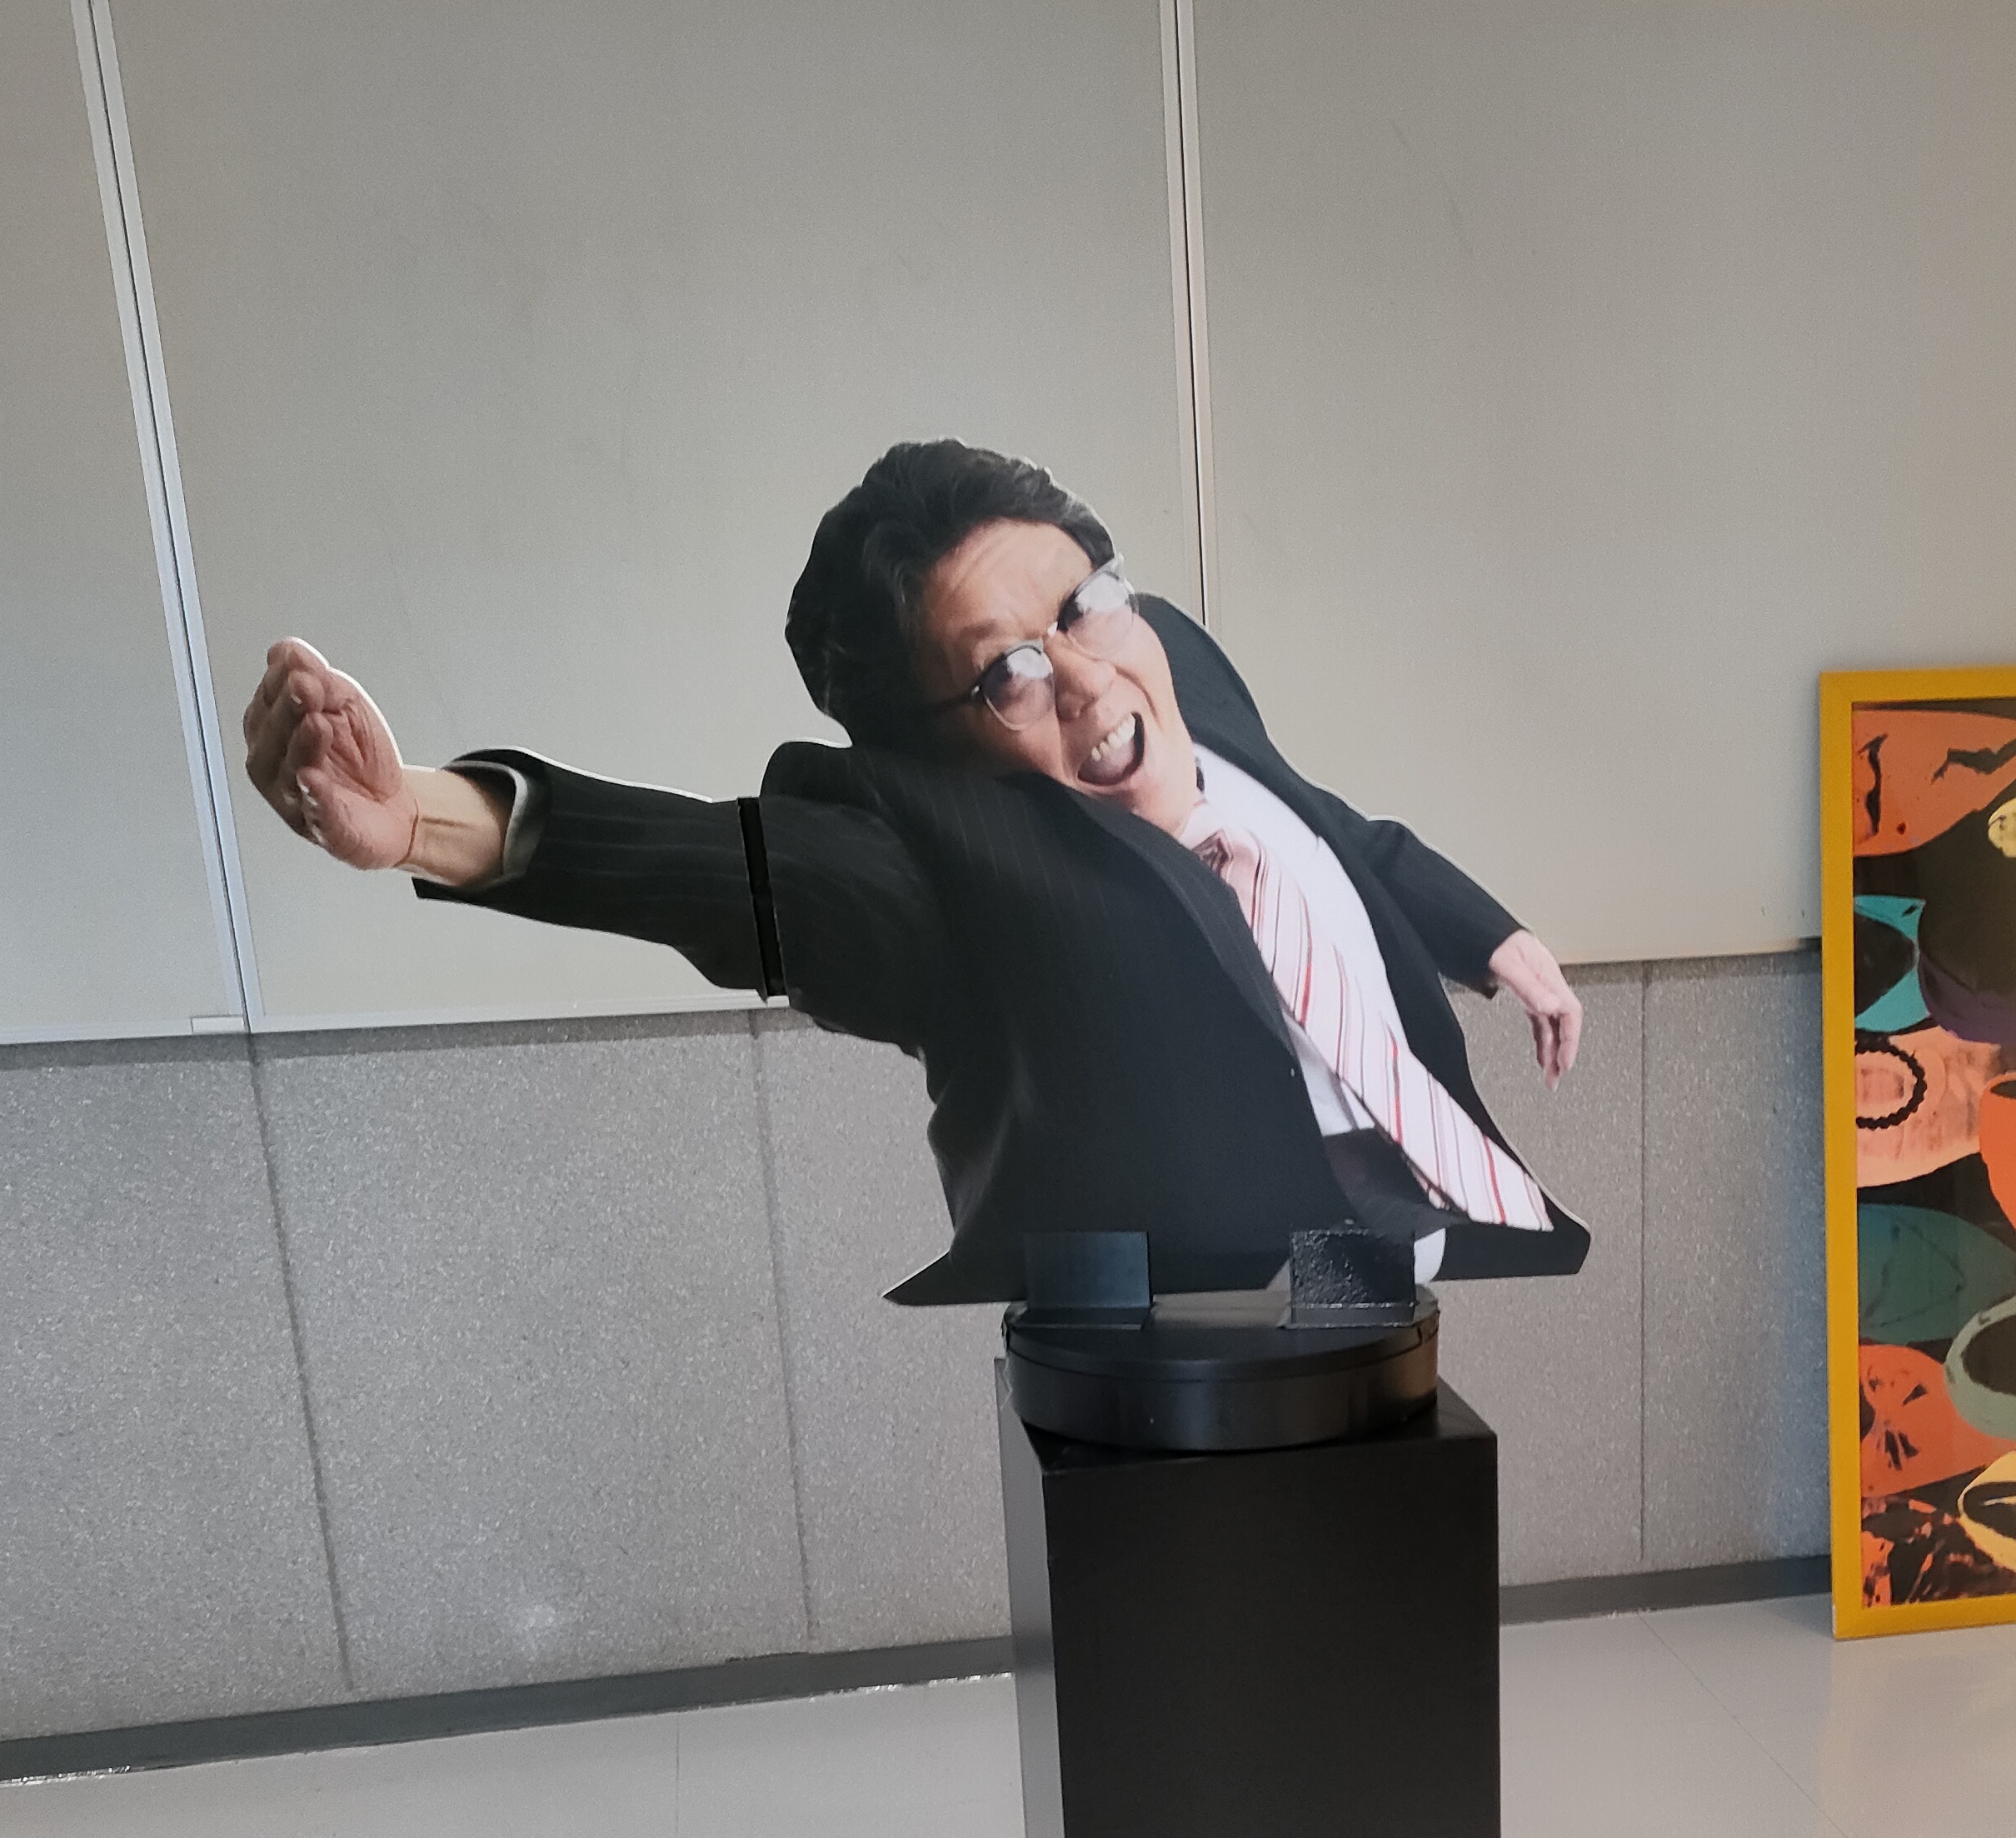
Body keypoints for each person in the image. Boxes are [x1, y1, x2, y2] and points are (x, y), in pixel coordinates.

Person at [238, 440, 1590, 1306]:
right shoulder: (953, 868)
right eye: (1006, 673)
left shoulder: (1164, 650)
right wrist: (422, 821)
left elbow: (1320, 821)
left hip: (1390, 1219)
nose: (1086, 679)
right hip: (1175, 1315)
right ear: (939, 752)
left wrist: (1490, 938)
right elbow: (727, 873)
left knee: (1373, 1488)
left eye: (1081, 608)